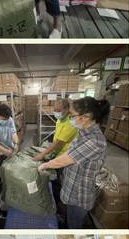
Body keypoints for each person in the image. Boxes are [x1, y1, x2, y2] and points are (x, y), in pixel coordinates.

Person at [37, 97, 109, 228]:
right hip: (72, 188)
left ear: (85, 117)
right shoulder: (83, 133)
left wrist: (44, 165)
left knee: (74, 224)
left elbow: (66, 159)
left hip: (79, 195)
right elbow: (69, 152)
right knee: (68, 216)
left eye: (72, 115)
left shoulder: (95, 141)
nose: (71, 119)